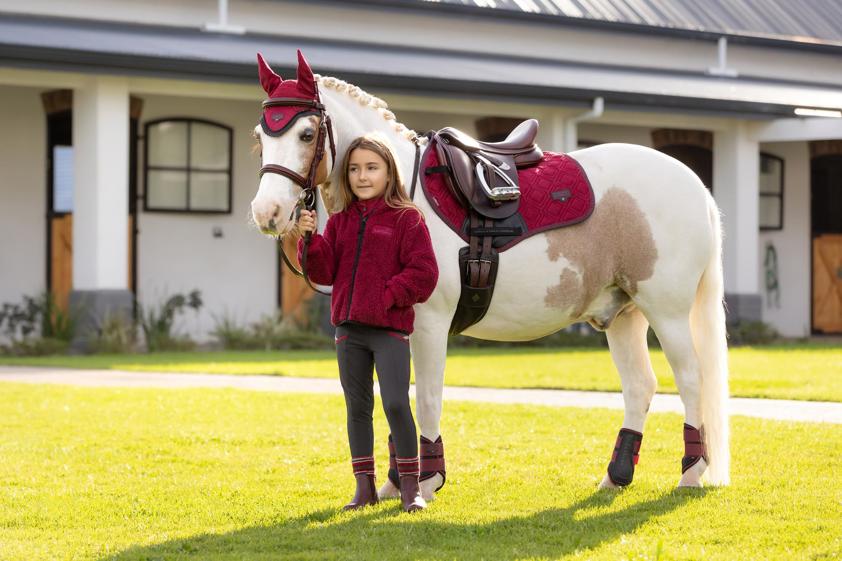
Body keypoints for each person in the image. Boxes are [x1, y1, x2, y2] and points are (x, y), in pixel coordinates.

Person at [297, 133, 439, 512]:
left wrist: (388, 296)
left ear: (389, 173)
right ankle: (364, 488)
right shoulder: (340, 222)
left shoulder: (408, 220)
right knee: (357, 409)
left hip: (390, 331)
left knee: (395, 404)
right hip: (349, 331)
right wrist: (308, 239)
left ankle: (411, 489)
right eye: (355, 169)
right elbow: (324, 271)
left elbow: (425, 273)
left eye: (371, 168)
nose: (362, 176)